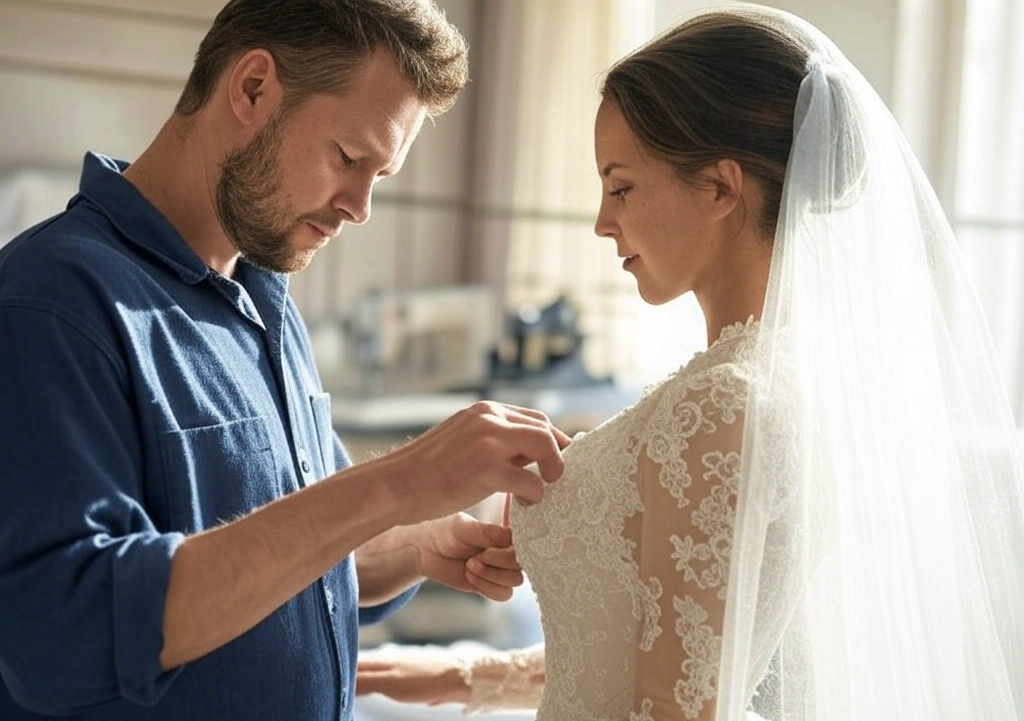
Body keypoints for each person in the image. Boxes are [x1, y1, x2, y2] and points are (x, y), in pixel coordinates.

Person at [356, 5, 1024, 720]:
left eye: (621, 187)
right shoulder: (772, 383)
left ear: (720, 188)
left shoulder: (723, 404)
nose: (601, 221)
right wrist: (463, 677)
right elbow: (668, 650)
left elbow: (679, 706)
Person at [0, 1, 571, 720]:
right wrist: (396, 483)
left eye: (380, 176)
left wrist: (416, 545)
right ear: (252, 89)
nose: (362, 206)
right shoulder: (53, 304)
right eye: (350, 157)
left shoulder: (265, 301)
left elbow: (279, 554)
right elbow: (63, 635)